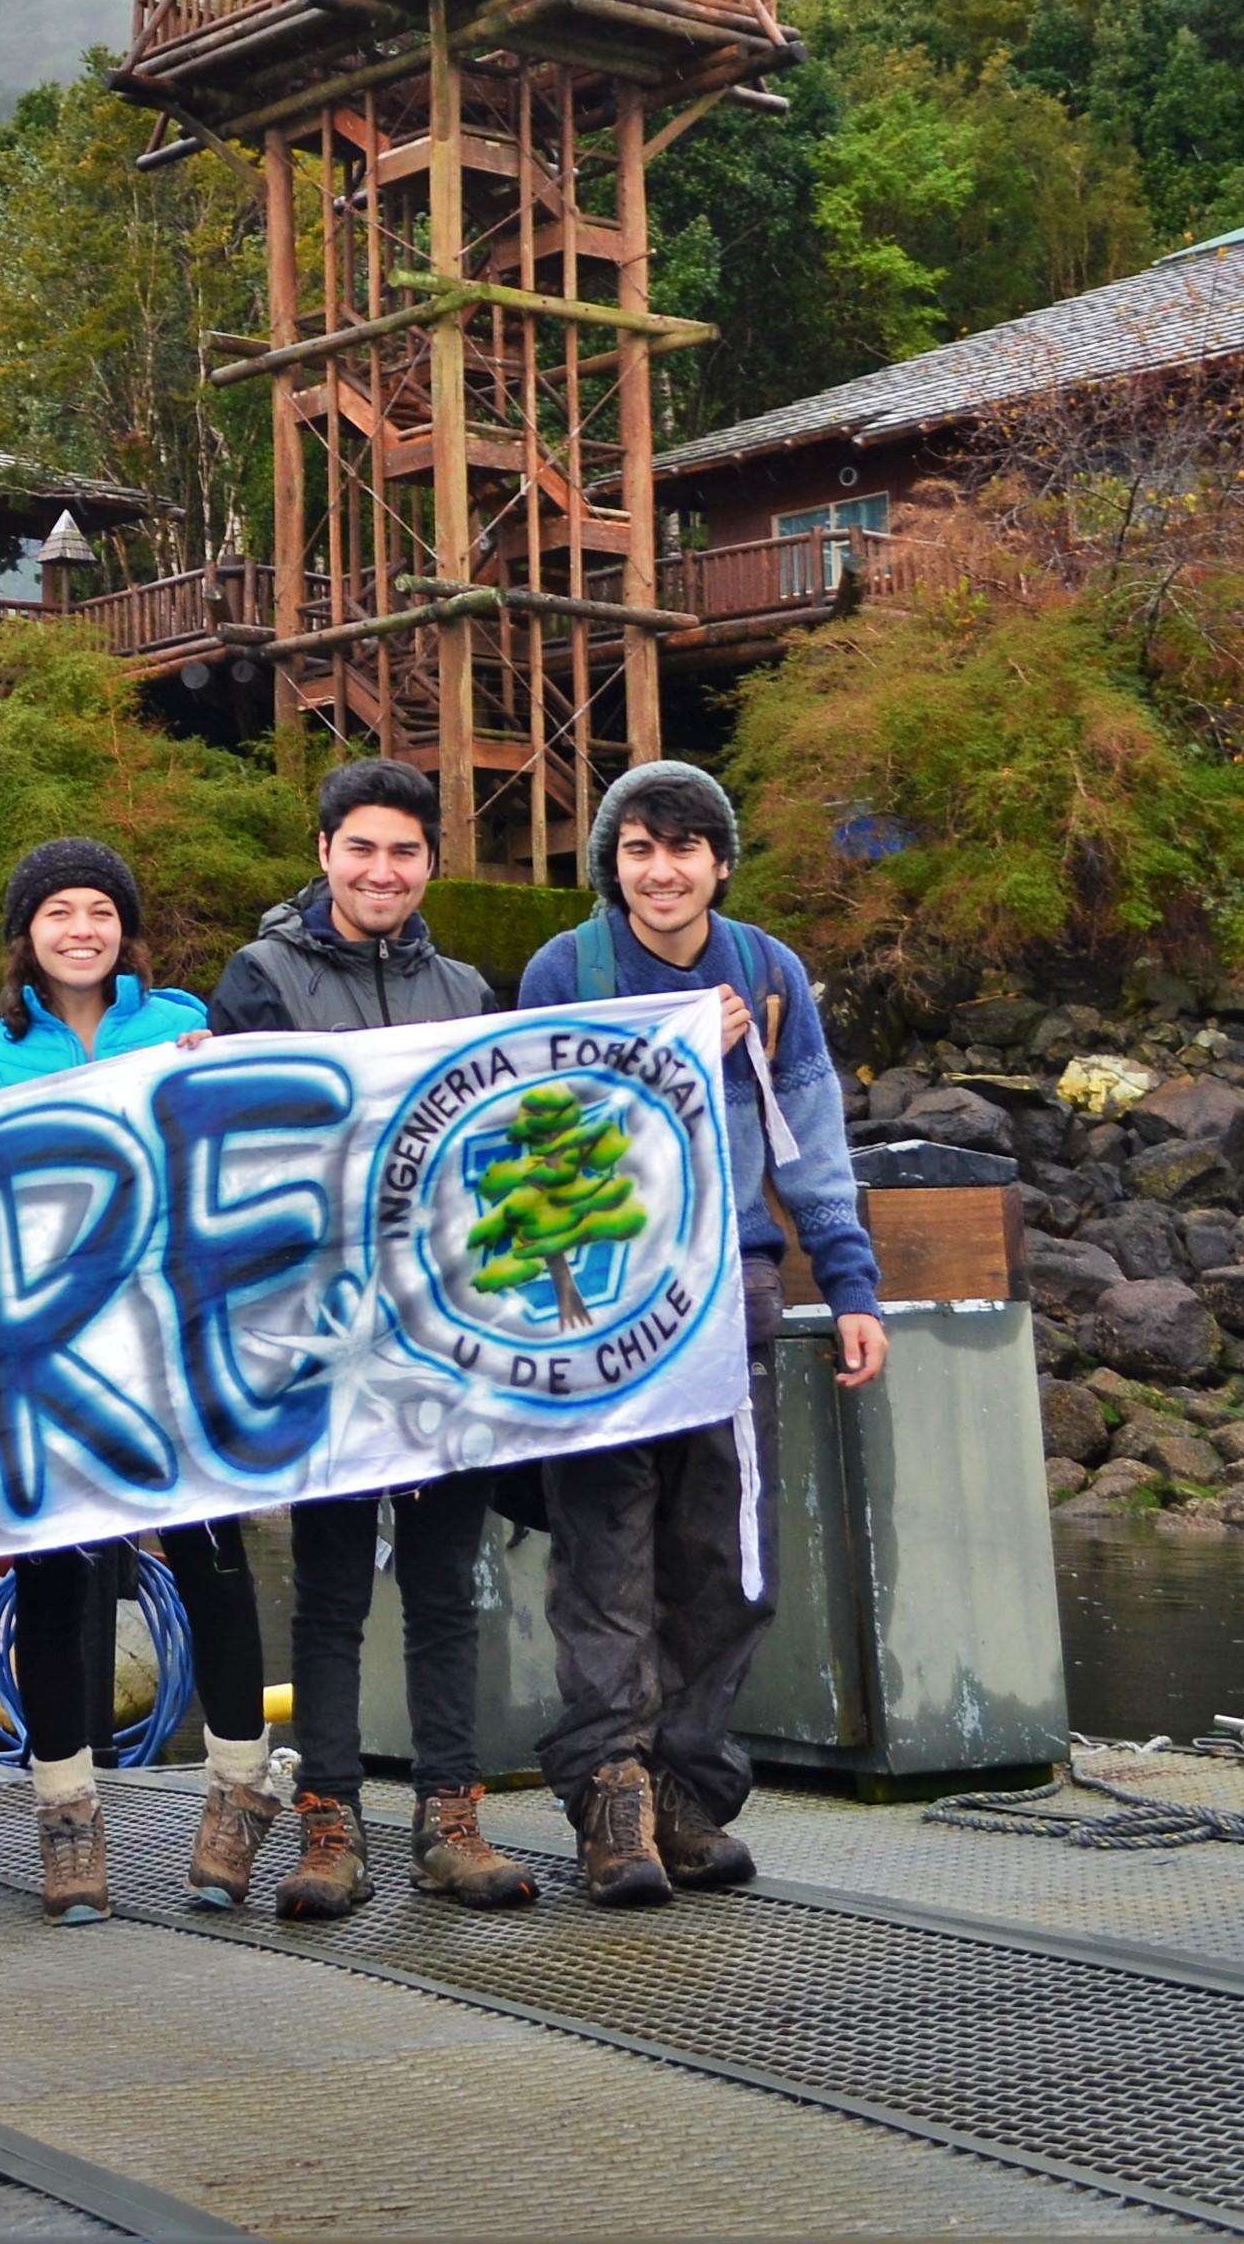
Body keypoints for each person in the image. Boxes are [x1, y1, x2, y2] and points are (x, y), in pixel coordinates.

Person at [511, 759, 885, 1908]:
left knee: (727, 1561)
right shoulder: (561, 969)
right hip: (601, 1310)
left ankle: (687, 1790)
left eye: (683, 847)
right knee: (603, 1561)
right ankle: (608, 1796)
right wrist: (659, 1050)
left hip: (736, 1297)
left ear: (718, 863)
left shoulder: (769, 972)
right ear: (609, 865)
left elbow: (811, 1138)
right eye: (636, 848)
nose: (659, 869)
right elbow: (530, 1135)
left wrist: (852, 1282)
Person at [207, 758, 535, 1925]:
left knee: (447, 1584)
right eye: (360, 849)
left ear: (429, 863)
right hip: (325, 1335)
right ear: (323, 852)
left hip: (447, 1335)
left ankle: (450, 1817)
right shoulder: (260, 975)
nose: (380, 871)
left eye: (402, 851)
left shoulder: (465, 985)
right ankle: (328, 1825)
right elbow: (243, 1153)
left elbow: (507, 1151)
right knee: (333, 1590)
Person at [0, 839, 285, 1922]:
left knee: (209, 1560)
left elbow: (239, 1151)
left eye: (98, 909)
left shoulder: (176, 1025)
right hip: (53, 1355)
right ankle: (66, 1819)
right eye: (57, 913)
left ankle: (235, 1799)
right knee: (52, 1580)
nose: (79, 929)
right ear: (26, 935)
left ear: (122, 927)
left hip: (176, 1338)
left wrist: (211, 1077)